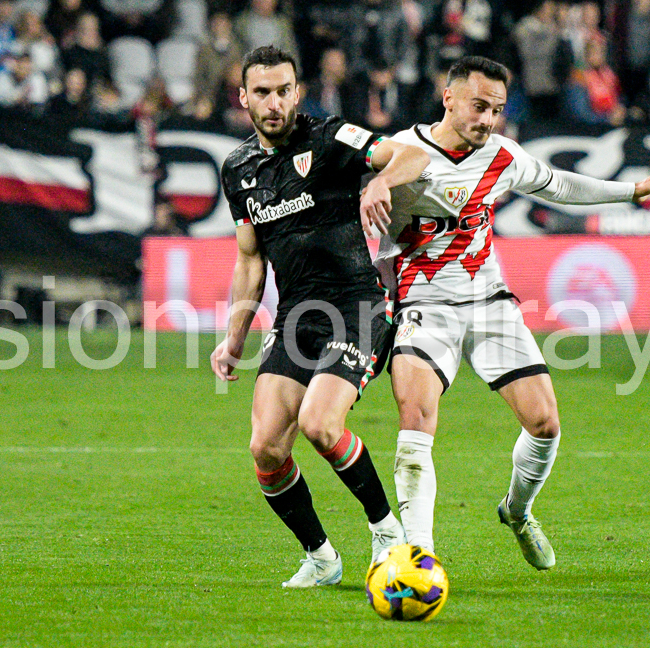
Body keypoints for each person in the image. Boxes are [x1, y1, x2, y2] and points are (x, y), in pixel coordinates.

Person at [364, 56, 650, 570]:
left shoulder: (501, 156)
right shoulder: (402, 154)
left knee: (545, 423)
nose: (487, 119)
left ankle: (517, 510)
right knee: (416, 419)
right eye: (478, 106)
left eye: (497, 110)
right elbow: (357, 212)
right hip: (424, 304)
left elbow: (559, 185)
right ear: (449, 100)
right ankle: (418, 555)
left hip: (489, 303)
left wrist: (630, 192)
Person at [209, 46, 430, 588]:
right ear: (243, 98)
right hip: (295, 317)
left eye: (284, 89)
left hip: (356, 306)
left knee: (320, 424)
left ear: (297, 92)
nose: (274, 101)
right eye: (262, 92)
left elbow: (413, 156)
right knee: (266, 446)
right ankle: (322, 558)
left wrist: (379, 181)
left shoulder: (330, 137)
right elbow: (249, 257)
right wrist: (232, 336)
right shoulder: (237, 169)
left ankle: (387, 532)